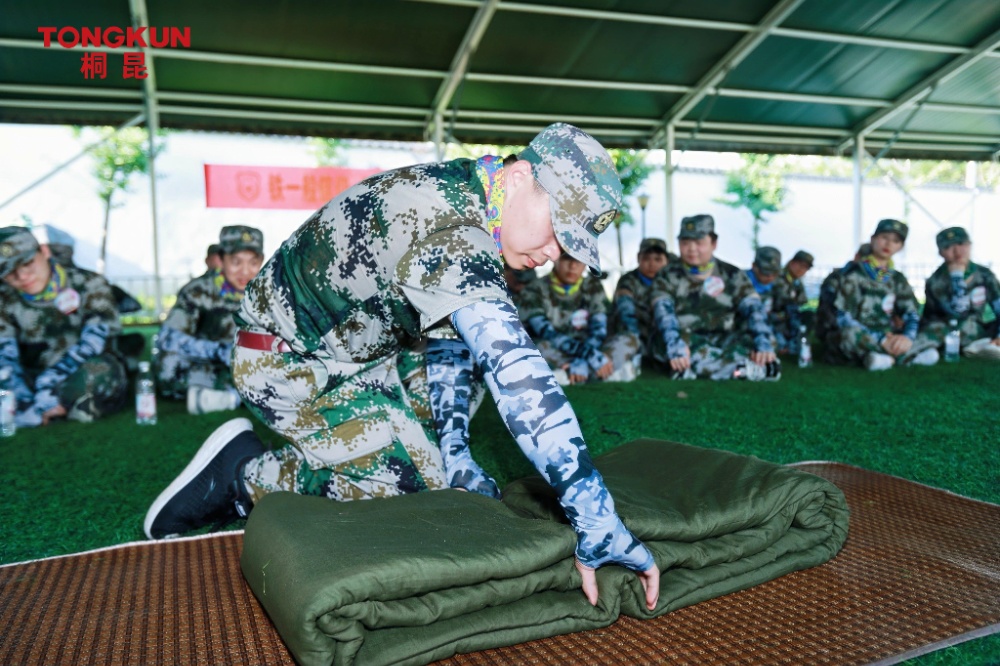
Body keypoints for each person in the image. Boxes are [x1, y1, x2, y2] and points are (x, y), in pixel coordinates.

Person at [144, 123, 660, 609]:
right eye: (556, 232)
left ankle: (401, 442)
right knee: (412, 481)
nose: (552, 254)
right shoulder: (449, 227)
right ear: (521, 176)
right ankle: (245, 477)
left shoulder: (475, 190)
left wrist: (457, 450)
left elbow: (452, 345)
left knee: (448, 444)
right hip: (286, 363)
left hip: (362, 353)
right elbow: (517, 372)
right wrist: (595, 516)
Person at [0, 227, 126, 426]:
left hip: (79, 369)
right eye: (8, 272)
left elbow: (93, 343)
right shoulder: (3, 297)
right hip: (31, 374)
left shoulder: (89, 283)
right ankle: (47, 411)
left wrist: (47, 384)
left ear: (44, 252)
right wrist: (23, 401)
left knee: (97, 373)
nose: (22, 276)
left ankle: (62, 406)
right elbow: (5, 357)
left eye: (27, 263)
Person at [649, 214, 780, 381]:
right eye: (685, 242)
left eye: (698, 242)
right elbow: (664, 315)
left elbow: (754, 309)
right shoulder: (666, 275)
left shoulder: (732, 274)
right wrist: (676, 343)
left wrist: (763, 344)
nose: (691, 249)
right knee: (666, 344)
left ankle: (702, 368)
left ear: (714, 243)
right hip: (684, 340)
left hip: (723, 338)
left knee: (766, 339)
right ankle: (744, 369)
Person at [155, 226, 264, 413]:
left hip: (257, 367)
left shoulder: (270, 292)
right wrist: (220, 352)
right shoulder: (198, 291)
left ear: (262, 261)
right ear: (221, 259)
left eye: (253, 263)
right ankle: (249, 398)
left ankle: (224, 398)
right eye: (236, 262)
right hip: (210, 364)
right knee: (168, 367)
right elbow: (168, 338)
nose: (245, 271)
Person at [825, 219, 938, 371]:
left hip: (888, 333)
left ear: (900, 247)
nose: (888, 244)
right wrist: (880, 339)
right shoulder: (853, 273)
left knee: (935, 328)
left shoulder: (897, 278)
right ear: (873, 239)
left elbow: (910, 312)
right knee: (847, 335)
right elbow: (843, 317)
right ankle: (906, 357)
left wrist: (907, 338)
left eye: (896, 241)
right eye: (884, 238)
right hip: (864, 334)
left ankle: (884, 358)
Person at [518, 251, 616, 384]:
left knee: (628, 339)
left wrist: (585, 356)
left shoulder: (594, 286)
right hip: (556, 348)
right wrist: (590, 355)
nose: (573, 266)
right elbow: (547, 333)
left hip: (591, 347)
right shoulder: (534, 289)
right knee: (538, 346)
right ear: (555, 259)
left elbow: (599, 330)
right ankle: (594, 371)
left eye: (579, 260)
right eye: (567, 259)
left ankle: (573, 372)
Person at [920, 227, 1000, 360]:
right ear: (940, 252)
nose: (957, 251)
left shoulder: (984, 275)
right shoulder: (935, 281)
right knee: (938, 328)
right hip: (946, 330)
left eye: (961, 244)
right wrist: (957, 278)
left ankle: (986, 347)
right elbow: (956, 311)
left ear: (969, 245)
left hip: (977, 328)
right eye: (948, 247)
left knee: (975, 325)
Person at [605, 237, 675, 381]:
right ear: (638, 258)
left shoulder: (672, 280)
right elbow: (626, 311)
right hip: (634, 332)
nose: (652, 264)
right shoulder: (628, 280)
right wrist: (635, 339)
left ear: (667, 261)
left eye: (658, 259)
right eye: (646, 259)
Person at [769, 250, 813, 355]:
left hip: (788, 318)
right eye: (801, 266)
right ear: (793, 263)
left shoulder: (796, 282)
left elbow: (802, 300)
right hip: (774, 316)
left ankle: (795, 343)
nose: (803, 270)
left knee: (809, 315)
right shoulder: (778, 277)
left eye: (806, 268)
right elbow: (780, 301)